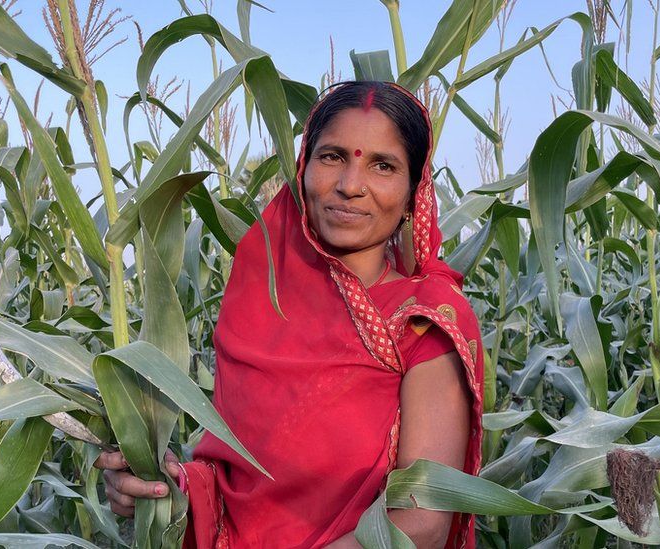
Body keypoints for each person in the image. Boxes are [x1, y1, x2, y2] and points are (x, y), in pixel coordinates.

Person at [93, 81, 484, 548]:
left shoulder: (424, 321)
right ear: (302, 169)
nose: (350, 185)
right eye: (333, 156)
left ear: (412, 194)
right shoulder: (260, 302)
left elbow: (421, 524)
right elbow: (235, 480)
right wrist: (162, 490)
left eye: (382, 165)